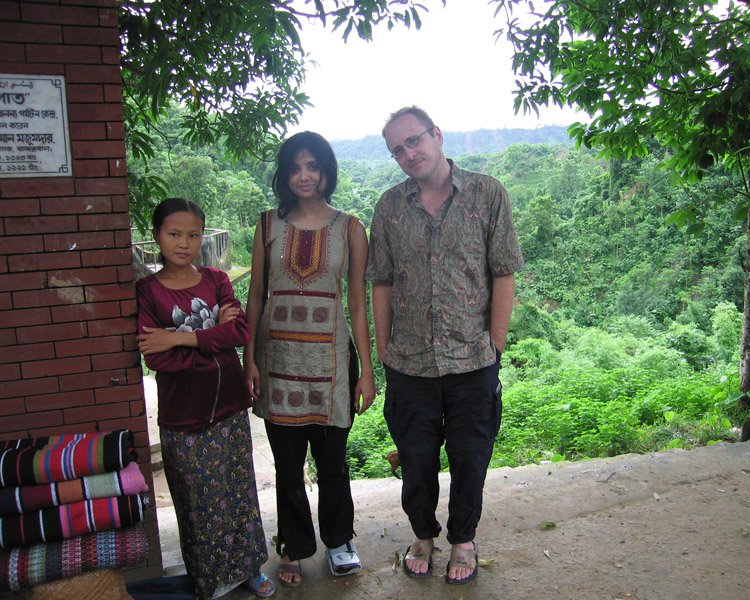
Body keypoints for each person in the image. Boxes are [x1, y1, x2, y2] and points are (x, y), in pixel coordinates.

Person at [366, 106, 524, 584]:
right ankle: (422, 535)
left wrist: (495, 342)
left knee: (470, 457)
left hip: (472, 358)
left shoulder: (487, 193)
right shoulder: (389, 207)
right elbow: (381, 282)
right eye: (397, 149)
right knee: (415, 458)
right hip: (409, 362)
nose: (408, 153)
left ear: (436, 134)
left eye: (414, 140)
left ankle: (463, 541)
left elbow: (503, 271)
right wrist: (383, 349)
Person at [244, 131, 375, 588]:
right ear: (284, 174)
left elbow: (357, 304)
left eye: (313, 166)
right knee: (287, 466)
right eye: (295, 167)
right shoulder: (267, 225)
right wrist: (248, 359)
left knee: (333, 461)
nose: (304, 175)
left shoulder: (351, 228)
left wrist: (367, 371)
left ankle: (339, 540)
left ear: (326, 172)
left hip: (332, 366)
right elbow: (255, 296)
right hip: (277, 362)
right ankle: (294, 546)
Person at [136, 198, 274, 599]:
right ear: (157, 236)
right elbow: (157, 357)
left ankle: (249, 569)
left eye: (193, 235)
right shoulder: (147, 291)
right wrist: (213, 336)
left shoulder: (215, 280)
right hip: (183, 416)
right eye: (174, 234)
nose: (184, 243)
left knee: (238, 493)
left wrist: (180, 338)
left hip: (229, 406)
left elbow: (240, 332)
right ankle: (210, 580)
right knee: (198, 503)